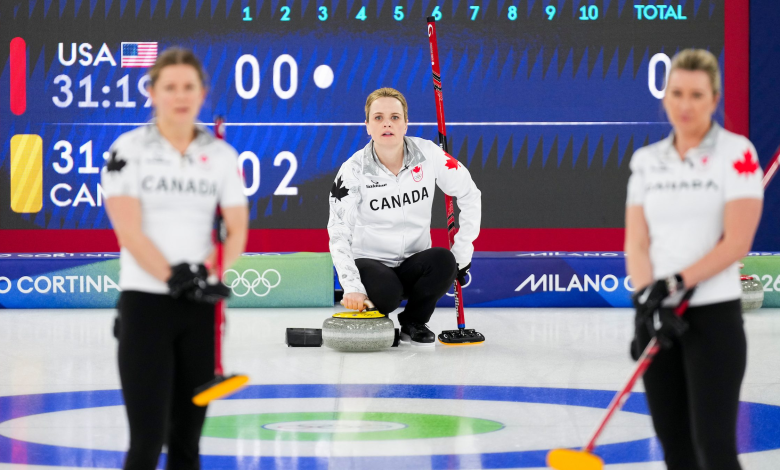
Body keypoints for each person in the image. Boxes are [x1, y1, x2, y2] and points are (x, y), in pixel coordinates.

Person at [101, 47, 248, 470]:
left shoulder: (221, 156)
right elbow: (128, 229)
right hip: (145, 305)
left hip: (199, 310)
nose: (180, 96)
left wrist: (205, 273)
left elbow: (236, 230)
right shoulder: (127, 149)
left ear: (202, 93)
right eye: (170, 87)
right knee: (147, 442)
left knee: (187, 444)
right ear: (152, 92)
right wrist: (171, 276)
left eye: (189, 87)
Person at [625, 49, 763, 470]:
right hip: (658, 317)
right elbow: (637, 242)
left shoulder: (736, 154)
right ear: (665, 97)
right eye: (677, 93)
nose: (685, 105)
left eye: (697, 95)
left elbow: (736, 242)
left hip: (713, 321)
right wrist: (648, 302)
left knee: (714, 448)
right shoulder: (647, 161)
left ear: (714, 99)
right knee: (676, 451)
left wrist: (675, 282)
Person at [328, 87, 482, 345]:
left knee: (446, 260)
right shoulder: (352, 170)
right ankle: (378, 316)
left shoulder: (430, 155)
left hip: (414, 263)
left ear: (406, 123)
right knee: (388, 294)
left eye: (394, 117)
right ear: (367, 126)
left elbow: (470, 193)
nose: (387, 123)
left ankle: (414, 321)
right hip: (371, 262)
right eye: (378, 117)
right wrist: (352, 285)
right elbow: (338, 230)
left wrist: (463, 252)